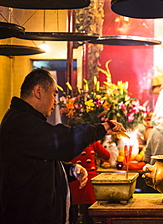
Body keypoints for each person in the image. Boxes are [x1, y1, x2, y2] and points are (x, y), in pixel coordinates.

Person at [0, 68, 125, 224]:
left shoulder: (26, 119)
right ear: (38, 91)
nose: (56, 101)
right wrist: (101, 128)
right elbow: (61, 141)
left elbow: (38, 163)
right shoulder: (21, 123)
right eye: (53, 94)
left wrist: (70, 170)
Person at [67, 117, 110, 224]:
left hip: (72, 182)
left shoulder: (66, 143)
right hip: (89, 184)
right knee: (89, 216)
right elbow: (107, 155)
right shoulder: (91, 142)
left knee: (71, 216)